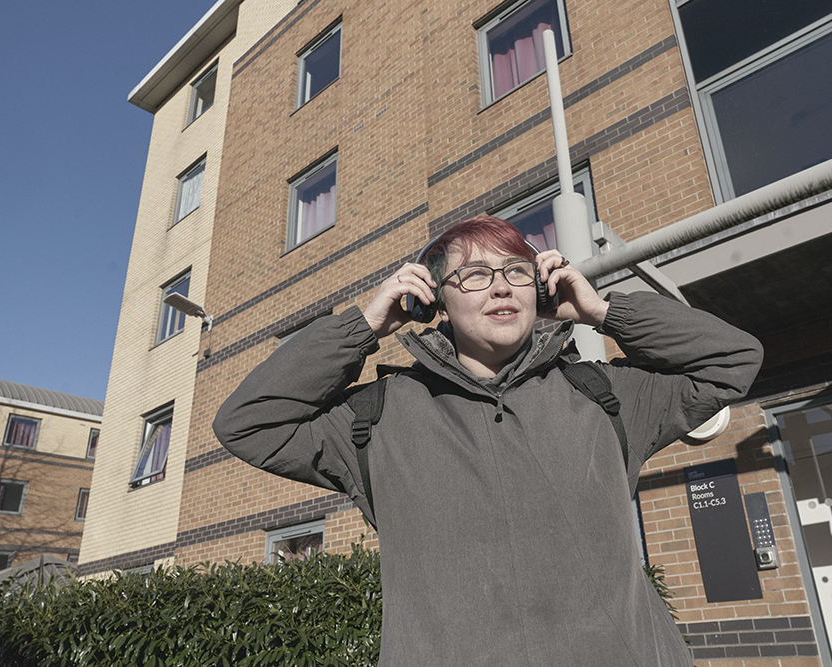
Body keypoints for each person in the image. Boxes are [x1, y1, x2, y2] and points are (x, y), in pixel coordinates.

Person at [213, 215, 763, 666]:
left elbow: (733, 361)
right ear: (433, 302)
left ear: (540, 288)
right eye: (474, 275)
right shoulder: (375, 419)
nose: (501, 285)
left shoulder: (604, 396)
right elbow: (248, 423)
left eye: (517, 271)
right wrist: (362, 327)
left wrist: (601, 312)